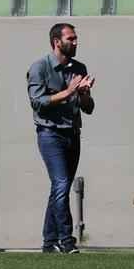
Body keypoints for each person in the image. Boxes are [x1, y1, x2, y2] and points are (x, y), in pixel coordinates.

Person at [26, 23, 94, 254]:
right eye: (71, 38)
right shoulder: (40, 67)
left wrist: (83, 94)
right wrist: (68, 92)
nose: (75, 42)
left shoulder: (79, 67)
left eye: (76, 38)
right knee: (62, 185)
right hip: (50, 134)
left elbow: (89, 108)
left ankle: (49, 243)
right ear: (57, 41)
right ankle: (66, 241)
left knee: (59, 189)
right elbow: (37, 101)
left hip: (72, 135)